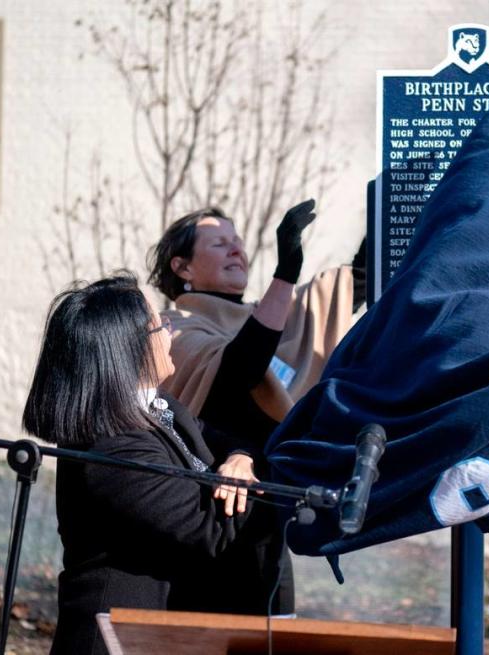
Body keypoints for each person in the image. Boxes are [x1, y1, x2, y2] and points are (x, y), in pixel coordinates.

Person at [22, 275, 271, 655]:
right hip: (114, 638)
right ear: (129, 348)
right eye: (161, 326)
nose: (170, 333)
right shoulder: (110, 446)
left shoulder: (157, 406)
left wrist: (240, 460)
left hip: (155, 634)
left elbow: (226, 440)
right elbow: (209, 527)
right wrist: (272, 489)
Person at [146, 200, 360, 614]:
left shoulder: (271, 318)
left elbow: (352, 288)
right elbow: (238, 372)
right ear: (182, 268)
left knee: (275, 635)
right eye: (219, 243)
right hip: (210, 527)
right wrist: (284, 275)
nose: (236, 249)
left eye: (237, 241)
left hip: (270, 526)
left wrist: (396, 196)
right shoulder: (175, 328)